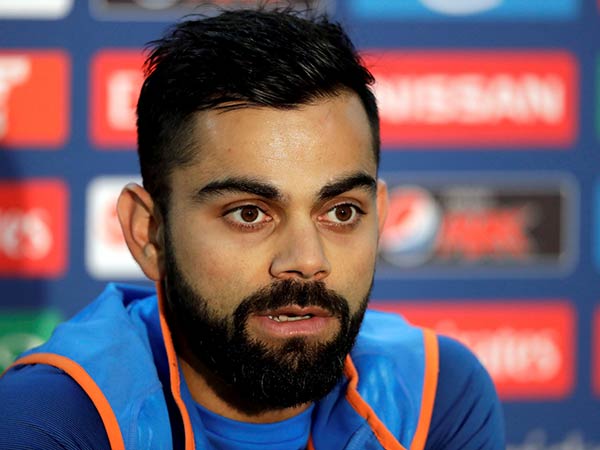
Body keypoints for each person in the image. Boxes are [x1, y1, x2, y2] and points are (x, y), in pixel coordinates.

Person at [0, 7, 504, 450]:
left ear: (381, 214)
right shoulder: (51, 421)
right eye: (249, 213)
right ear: (149, 232)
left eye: (342, 212)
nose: (308, 260)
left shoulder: (435, 394)